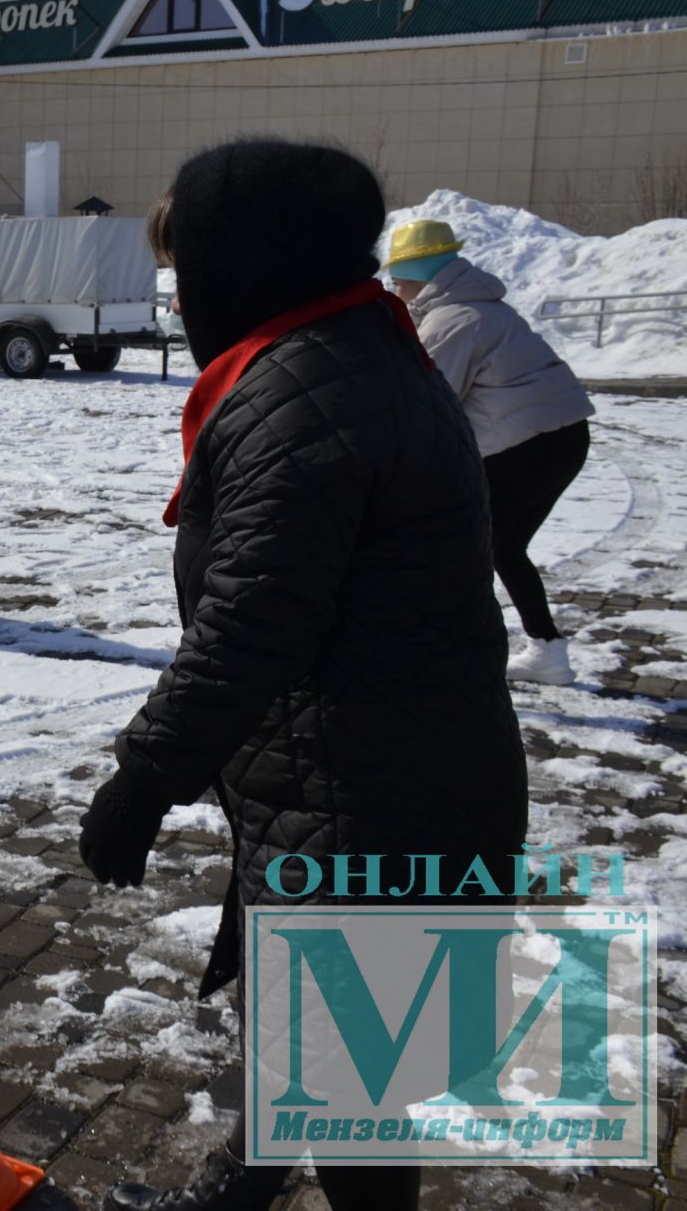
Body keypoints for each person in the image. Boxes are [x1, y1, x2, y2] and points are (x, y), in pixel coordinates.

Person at [79, 142, 526, 1211]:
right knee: (312, 1024)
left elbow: (252, 623)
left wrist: (141, 781)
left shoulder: (305, 392)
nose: (183, 300)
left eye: (189, 271)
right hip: (385, 769)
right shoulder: (356, 349)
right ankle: (243, 1180)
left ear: (250, 266)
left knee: (358, 1102)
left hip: (372, 791)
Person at [386, 219, 595, 686]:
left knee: (462, 548)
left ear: (420, 274)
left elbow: (431, 402)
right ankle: (547, 652)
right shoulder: (475, 305)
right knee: (503, 545)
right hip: (561, 439)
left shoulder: (456, 319)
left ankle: (453, 658)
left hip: (529, 446)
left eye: (398, 279)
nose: (395, 289)